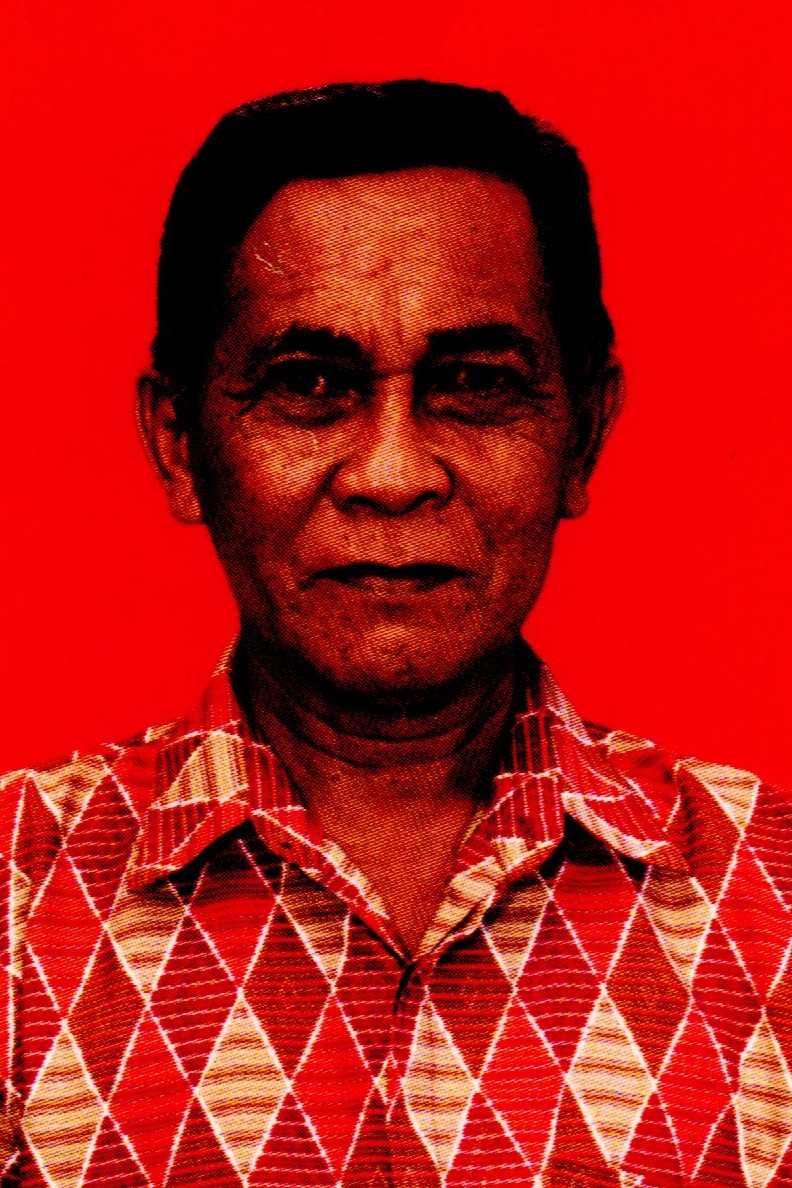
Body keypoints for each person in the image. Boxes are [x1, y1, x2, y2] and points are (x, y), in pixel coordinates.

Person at [1, 80, 789, 1188]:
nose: (392, 473)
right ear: (179, 441)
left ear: (584, 434)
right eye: (307, 385)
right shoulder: (15, 903)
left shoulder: (773, 899)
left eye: (475, 386)